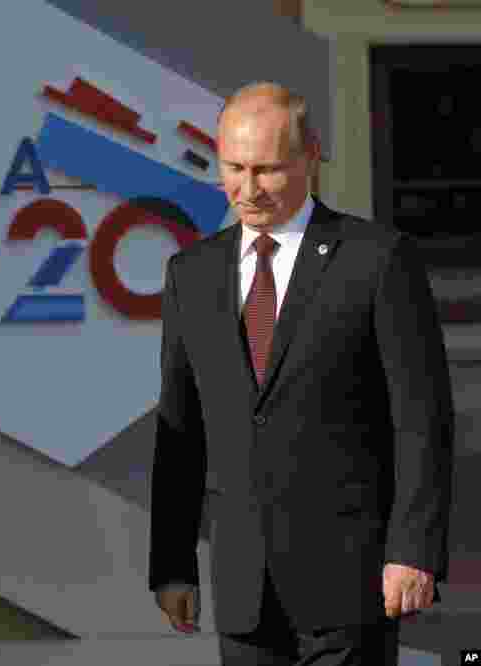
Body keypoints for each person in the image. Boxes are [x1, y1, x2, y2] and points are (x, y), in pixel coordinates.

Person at [147, 82, 454, 665]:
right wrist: (172, 564)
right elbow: (180, 432)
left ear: (311, 157)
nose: (247, 188)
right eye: (233, 167)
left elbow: (422, 420)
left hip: (351, 582)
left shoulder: (377, 259)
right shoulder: (192, 273)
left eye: (266, 169)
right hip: (244, 591)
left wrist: (412, 550)